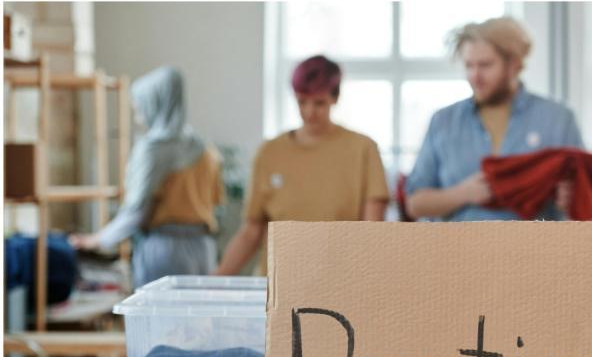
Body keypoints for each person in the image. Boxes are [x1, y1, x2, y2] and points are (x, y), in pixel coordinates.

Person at [216, 55, 389, 275]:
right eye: (302, 102)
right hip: (278, 284)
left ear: (335, 98)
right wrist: (216, 279)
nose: (309, 112)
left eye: (319, 103)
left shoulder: (363, 149)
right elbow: (251, 231)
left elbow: (371, 232)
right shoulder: (269, 152)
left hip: (340, 281)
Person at [405, 17, 584, 221]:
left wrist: (572, 198)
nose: (475, 75)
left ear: (514, 64)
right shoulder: (443, 122)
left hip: (536, 249)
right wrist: (463, 193)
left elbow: (585, 198)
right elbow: (415, 203)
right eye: (469, 65)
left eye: (485, 65)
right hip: (457, 250)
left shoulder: (558, 120)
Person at [71, 66, 222, 288]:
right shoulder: (206, 150)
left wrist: (96, 240)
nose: (138, 117)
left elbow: (137, 212)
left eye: (140, 108)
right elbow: (216, 201)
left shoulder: (153, 149)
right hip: (203, 250)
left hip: (164, 253)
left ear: (156, 103)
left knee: (163, 321)